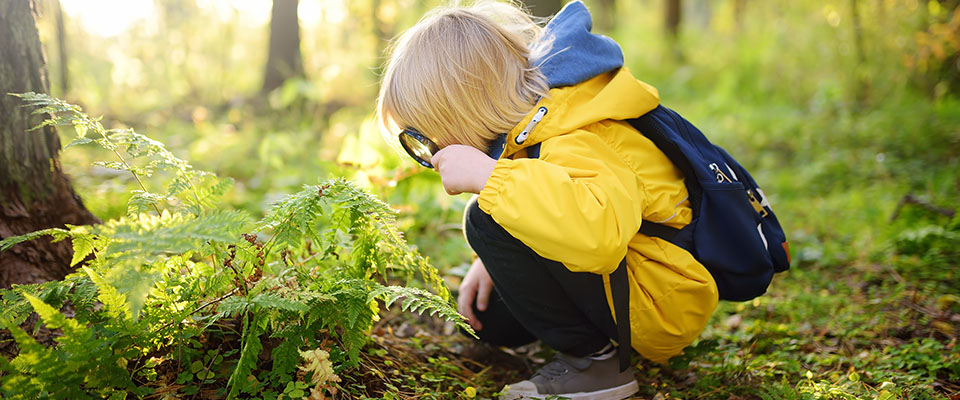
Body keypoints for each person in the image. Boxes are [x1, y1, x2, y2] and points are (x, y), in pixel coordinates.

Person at [375, 1, 719, 398]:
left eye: (425, 139)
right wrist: (494, 258)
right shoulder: (531, 128)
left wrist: (490, 182)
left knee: (481, 219)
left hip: (661, 299)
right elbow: (547, 197)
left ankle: (596, 366)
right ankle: (585, 343)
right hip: (634, 283)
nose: (430, 156)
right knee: (490, 320)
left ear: (463, 111)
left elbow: (599, 235)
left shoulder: (574, 131)